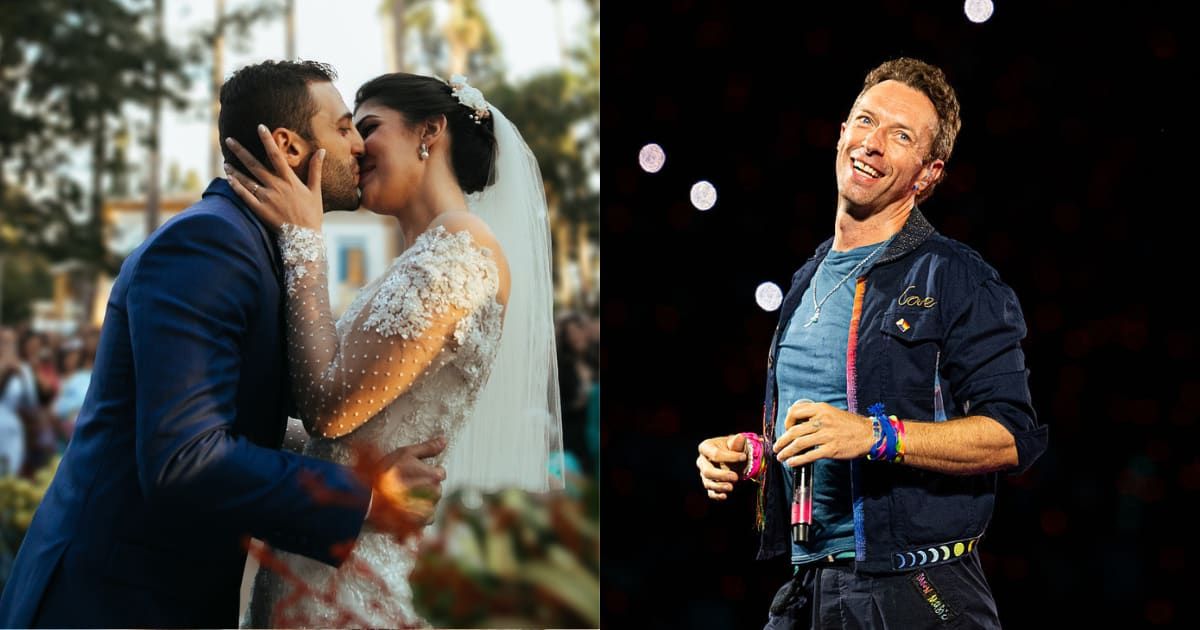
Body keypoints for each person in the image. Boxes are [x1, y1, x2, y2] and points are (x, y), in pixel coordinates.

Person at [0, 60, 447, 629]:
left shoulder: (257, 245)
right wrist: (359, 497)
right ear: (289, 146)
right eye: (342, 128)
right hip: (109, 602)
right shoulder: (208, 243)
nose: (358, 143)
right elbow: (185, 459)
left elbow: (247, 419)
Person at [695, 58, 1049, 628]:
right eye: (866, 121)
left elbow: (1011, 436)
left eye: (900, 135)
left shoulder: (955, 276)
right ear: (841, 134)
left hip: (918, 590)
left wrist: (873, 435)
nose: (873, 144)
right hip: (809, 587)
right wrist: (757, 456)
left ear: (928, 175)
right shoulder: (807, 278)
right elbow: (823, 433)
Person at [223, 69, 563, 627]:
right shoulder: (418, 258)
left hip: (356, 586)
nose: (355, 148)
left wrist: (305, 239)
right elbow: (335, 433)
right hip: (326, 557)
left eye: (370, 127)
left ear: (429, 131)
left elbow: (328, 409)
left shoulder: (461, 248)